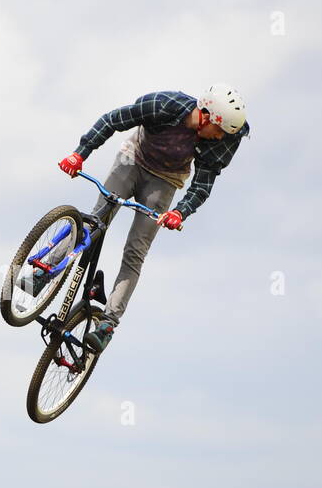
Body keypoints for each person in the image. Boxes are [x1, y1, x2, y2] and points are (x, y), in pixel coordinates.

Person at [20, 85, 249, 351]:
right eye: (218, 131)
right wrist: (79, 154)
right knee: (95, 222)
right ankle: (43, 273)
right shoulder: (163, 105)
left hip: (166, 180)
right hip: (132, 159)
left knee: (135, 250)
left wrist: (179, 212)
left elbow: (202, 185)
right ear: (207, 116)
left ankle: (107, 323)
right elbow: (112, 120)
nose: (219, 138)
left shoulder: (227, 140)